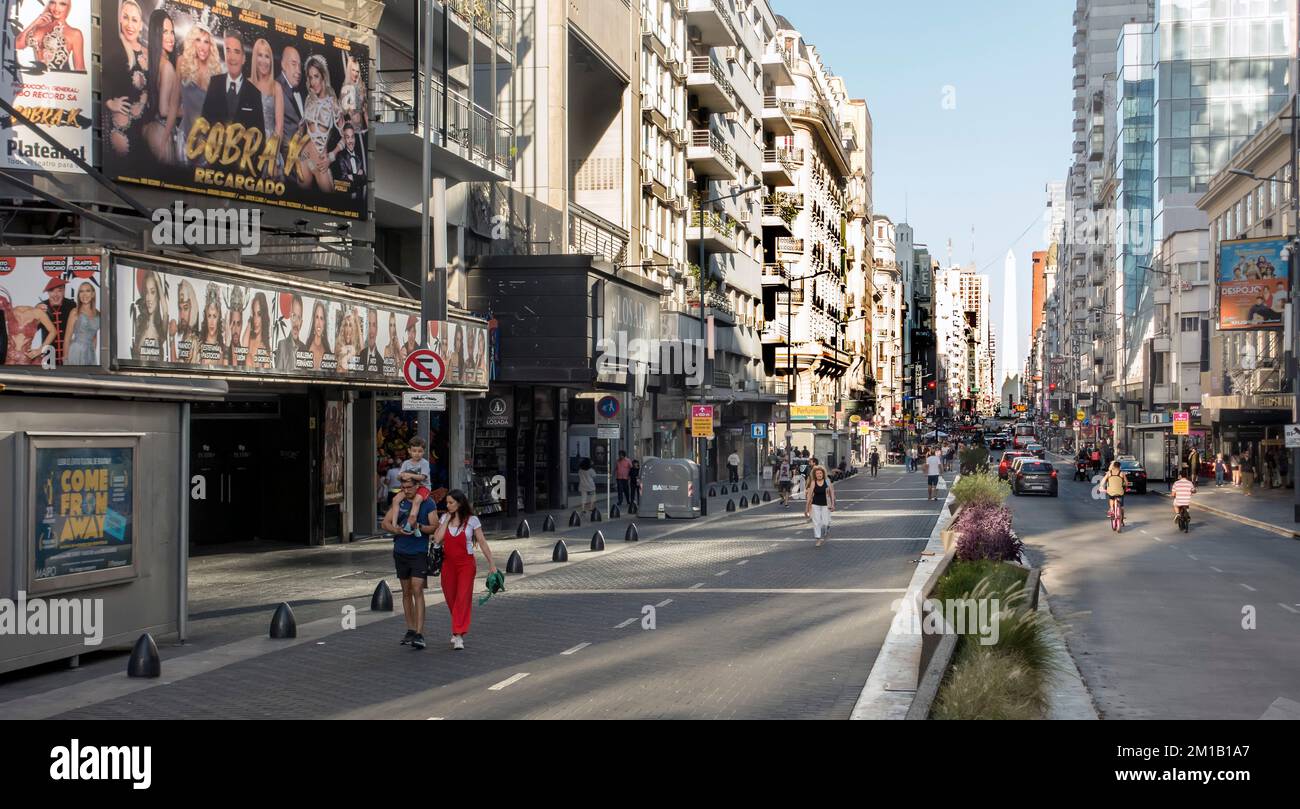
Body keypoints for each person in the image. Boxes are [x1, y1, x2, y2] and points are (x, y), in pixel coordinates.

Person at [429, 489, 498, 650]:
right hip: (448, 564)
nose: (448, 505)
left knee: (462, 597)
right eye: (447, 503)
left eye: (451, 502)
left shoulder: (472, 520)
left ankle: (458, 634)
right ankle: (457, 627)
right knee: (450, 597)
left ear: (459, 503)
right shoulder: (444, 518)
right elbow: (438, 539)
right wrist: (445, 520)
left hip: (466, 564)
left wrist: (492, 564)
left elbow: (482, 542)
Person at [382, 474, 436, 650]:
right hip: (400, 551)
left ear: (417, 486)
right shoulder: (401, 501)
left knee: (417, 589)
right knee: (406, 591)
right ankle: (411, 629)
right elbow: (385, 523)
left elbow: (434, 526)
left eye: (409, 488)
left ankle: (420, 633)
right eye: (403, 488)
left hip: (419, 552)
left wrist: (419, 527)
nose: (406, 491)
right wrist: (397, 530)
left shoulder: (427, 503)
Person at [103, 0, 147, 157]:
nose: (130, 24)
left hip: (144, 127)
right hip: (121, 128)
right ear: (120, 19)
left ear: (141, 25)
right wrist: (109, 102)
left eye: (134, 20)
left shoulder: (149, 53)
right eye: (125, 17)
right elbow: (105, 76)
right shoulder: (117, 48)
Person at [295, 54, 344, 193]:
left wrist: (331, 157)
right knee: (298, 201)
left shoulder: (333, 104)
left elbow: (346, 137)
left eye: (316, 76)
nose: (313, 82)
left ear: (323, 76)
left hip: (321, 162)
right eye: (310, 77)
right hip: (304, 157)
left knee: (330, 204)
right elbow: (302, 129)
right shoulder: (308, 101)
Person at [177, 23, 222, 164]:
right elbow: (174, 103)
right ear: (192, 42)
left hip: (207, 142)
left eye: (206, 41)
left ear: (211, 46)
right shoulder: (182, 63)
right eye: (198, 40)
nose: (202, 46)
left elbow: (218, 113)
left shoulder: (216, 72)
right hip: (185, 138)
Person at [201, 33, 264, 130]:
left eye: (236, 52)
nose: (232, 57)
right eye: (228, 51)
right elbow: (203, 123)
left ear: (243, 59)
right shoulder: (214, 83)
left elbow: (259, 137)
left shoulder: (254, 93)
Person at [142, 10, 180, 164]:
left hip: (148, 129)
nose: (171, 38)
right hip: (161, 131)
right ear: (157, 34)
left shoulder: (153, 63)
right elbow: (164, 110)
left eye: (172, 32)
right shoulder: (168, 67)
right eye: (165, 32)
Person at [15, 0, 85, 72]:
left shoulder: (75, 34)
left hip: (61, 80)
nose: (56, 8)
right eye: (53, 2)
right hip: (37, 79)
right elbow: (17, 45)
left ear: (68, 7)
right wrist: (34, 23)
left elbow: (80, 69)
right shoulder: (38, 27)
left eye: (62, 4)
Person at [249, 38, 285, 177]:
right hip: (249, 146)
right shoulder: (246, 84)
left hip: (271, 147)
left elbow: (280, 126)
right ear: (254, 58)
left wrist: (272, 154)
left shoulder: (276, 87)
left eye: (267, 56)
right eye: (260, 55)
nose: (264, 61)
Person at [35, 278, 75, 364]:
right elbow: (32, 330)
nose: (55, 295)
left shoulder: (72, 305)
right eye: (52, 291)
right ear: (48, 293)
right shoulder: (41, 307)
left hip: (69, 353)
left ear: (64, 291)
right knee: (48, 376)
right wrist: (36, 315)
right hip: (48, 354)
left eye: (59, 291)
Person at [399, 437, 432, 534]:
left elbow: (423, 477)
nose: (417, 453)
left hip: (423, 487)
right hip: (409, 488)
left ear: (424, 451)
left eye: (420, 451)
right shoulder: (406, 463)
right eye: (414, 451)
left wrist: (409, 475)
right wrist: (402, 476)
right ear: (409, 451)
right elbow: (399, 475)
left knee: (416, 502)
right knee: (395, 500)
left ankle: (409, 525)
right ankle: (393, 524)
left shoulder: (424, 463)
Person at [277, 47, 305, 161]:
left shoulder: (302, 92)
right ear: (283, 65)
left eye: (300, 66)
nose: (299, 71)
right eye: (294, 64)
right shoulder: (276, 88)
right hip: (283, 162)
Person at [63, 282, 99, 366]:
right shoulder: (75, 312)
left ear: (93, 294)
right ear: (79, 295)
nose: (84, 294)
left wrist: (93, 352)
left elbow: (94, 337)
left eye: (87, 291)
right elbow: (67, 338)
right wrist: (65, 359)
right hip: (75, 351)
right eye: (81, 291)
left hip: (90, 353)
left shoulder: (98, 314)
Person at [332, 123, 367, 203]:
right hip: (344, 202)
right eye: (347, 137)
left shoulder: (359, 157)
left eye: (352, 137)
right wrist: (358, 177)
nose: (350, 141)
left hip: (359, 203)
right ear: (344, 139)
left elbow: (365, 179)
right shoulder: (340, 157)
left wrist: (352, 177)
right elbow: (341, 184)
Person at [275, 294, 309, 371]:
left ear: (301, 322)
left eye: (299, 317)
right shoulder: (282, 345)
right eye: (294, 315)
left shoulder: (305, 349)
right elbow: (278, 376)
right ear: (290, 317)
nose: (296, 322)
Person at [804, 465, 835, 547]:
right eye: (817, 473)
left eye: (820, 473)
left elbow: (832, 493)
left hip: (826, 505)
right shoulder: (813, 482)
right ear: (815, 475)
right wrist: (806, 508)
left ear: (823, 474)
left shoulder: (827, 481)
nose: (819, 475)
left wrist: (833, 504)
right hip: (815, 505)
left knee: (826, 522)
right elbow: (810, 495)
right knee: (816, 522)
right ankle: (818, 539)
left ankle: (827, 529)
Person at [360, 308, 382, 373]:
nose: (371, 331)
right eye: (369, 325)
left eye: (374, 325)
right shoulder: (360, 354)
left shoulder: (381, 361)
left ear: (377, 329)